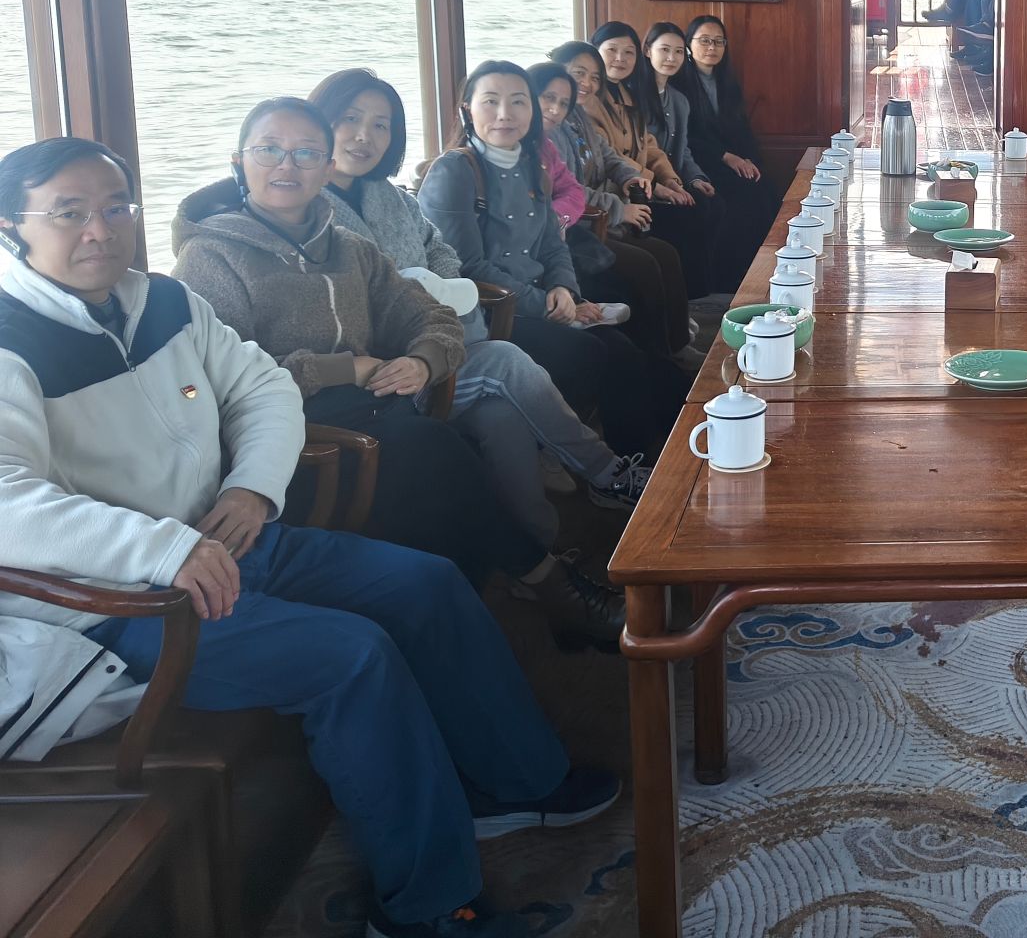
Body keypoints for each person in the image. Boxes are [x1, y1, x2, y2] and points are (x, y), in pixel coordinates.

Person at [0, 135, 619, 938]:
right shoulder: (11, 339)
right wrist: (165, 550)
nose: (100, 230)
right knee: (351, 656)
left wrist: (252, 486)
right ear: (12, 226)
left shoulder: (161, 302)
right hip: (119, 602)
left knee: (426, 583)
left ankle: (515, 782)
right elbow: (9, 502)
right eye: (69, 213)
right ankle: (427, 906)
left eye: (117, 208)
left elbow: (260, 386)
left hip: (231, 538)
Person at [170, 98, 623, 649]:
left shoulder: (350, 248)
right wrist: (345, 368)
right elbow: (224, 382)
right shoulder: (211, 258)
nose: (287, 165)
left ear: (325, 164)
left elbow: (430, 314)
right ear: (238, 161)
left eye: (306, 153)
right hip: (289, 442)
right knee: (430, 451)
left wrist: (424, 358)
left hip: (377, 409)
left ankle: (521, 602)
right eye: (269, 150)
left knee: (488, 423)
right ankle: (551, 588)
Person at [308, 69, 648, 517]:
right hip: (384, 369)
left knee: (503, 420)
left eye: (380, 124)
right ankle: (608, 473)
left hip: (440, 344)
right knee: (512, 359)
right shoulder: (307, 211)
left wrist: (559, 288)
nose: (363, 136)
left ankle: (539, 550)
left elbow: (442, 252)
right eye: (350, 119)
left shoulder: (391, 197)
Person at [419, 62, 688, 459]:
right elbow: (467, 267)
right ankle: (584, 458)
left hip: (542, 298)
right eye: (490, 101)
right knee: (594, 354)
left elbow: (552, 243)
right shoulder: (454, 171)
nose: (505, 114)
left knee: (631, 354)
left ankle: (658, 458)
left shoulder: (531, 165)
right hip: (492, 315)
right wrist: (550, 306)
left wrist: (565, 288)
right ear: (466, 110)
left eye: (517, 102)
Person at [537, 50, 694, 358]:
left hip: (599, 218)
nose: (587, 83)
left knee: (666, 252)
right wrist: (620, 209)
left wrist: (630, 178)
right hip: (584, 228)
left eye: (595, 77)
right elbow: (569, 194)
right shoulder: (548, 130)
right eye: (579, 73)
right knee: (645, 266)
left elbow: (609, 156)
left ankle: (677, 343)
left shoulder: (577, 115)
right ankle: (658, 355)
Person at [581, 24, 724, 302]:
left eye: (628, 52)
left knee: (704, 206)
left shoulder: (630, 97)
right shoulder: (589, 102)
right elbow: (612, 156)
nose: (620, 59)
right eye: (612, 50)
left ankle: (692, 303)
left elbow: (650, 146)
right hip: (616, 196)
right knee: (683, 222)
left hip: (638, 187)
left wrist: (671, 179)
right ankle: (690, 302)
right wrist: (656, 186)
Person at [644, 19, 754, 291]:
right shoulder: (638, 98)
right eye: (664, 50)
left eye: (677, 51)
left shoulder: (678, 100)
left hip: (679, 176)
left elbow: (683, 150)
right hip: (648, 184)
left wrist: (695, 178)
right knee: (707, 207)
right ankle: (702, 290)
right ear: (647, 51)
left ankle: (728, 280)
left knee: (730, 199)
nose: (671, 58)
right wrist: (665, 184)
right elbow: (644, 153)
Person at [672, 13, 781, 255]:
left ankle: (764, 264)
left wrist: (748, 158)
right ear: (688, 44)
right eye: (704, 40)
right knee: (742, 197)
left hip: (731, 161)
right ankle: (737, 270)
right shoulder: (679, 85)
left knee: (767, 190)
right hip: (701, 163)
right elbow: (687, 138)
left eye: (718, 41)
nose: (712, 47)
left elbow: (741, 129)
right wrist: (726, 156)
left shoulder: (727, 81)